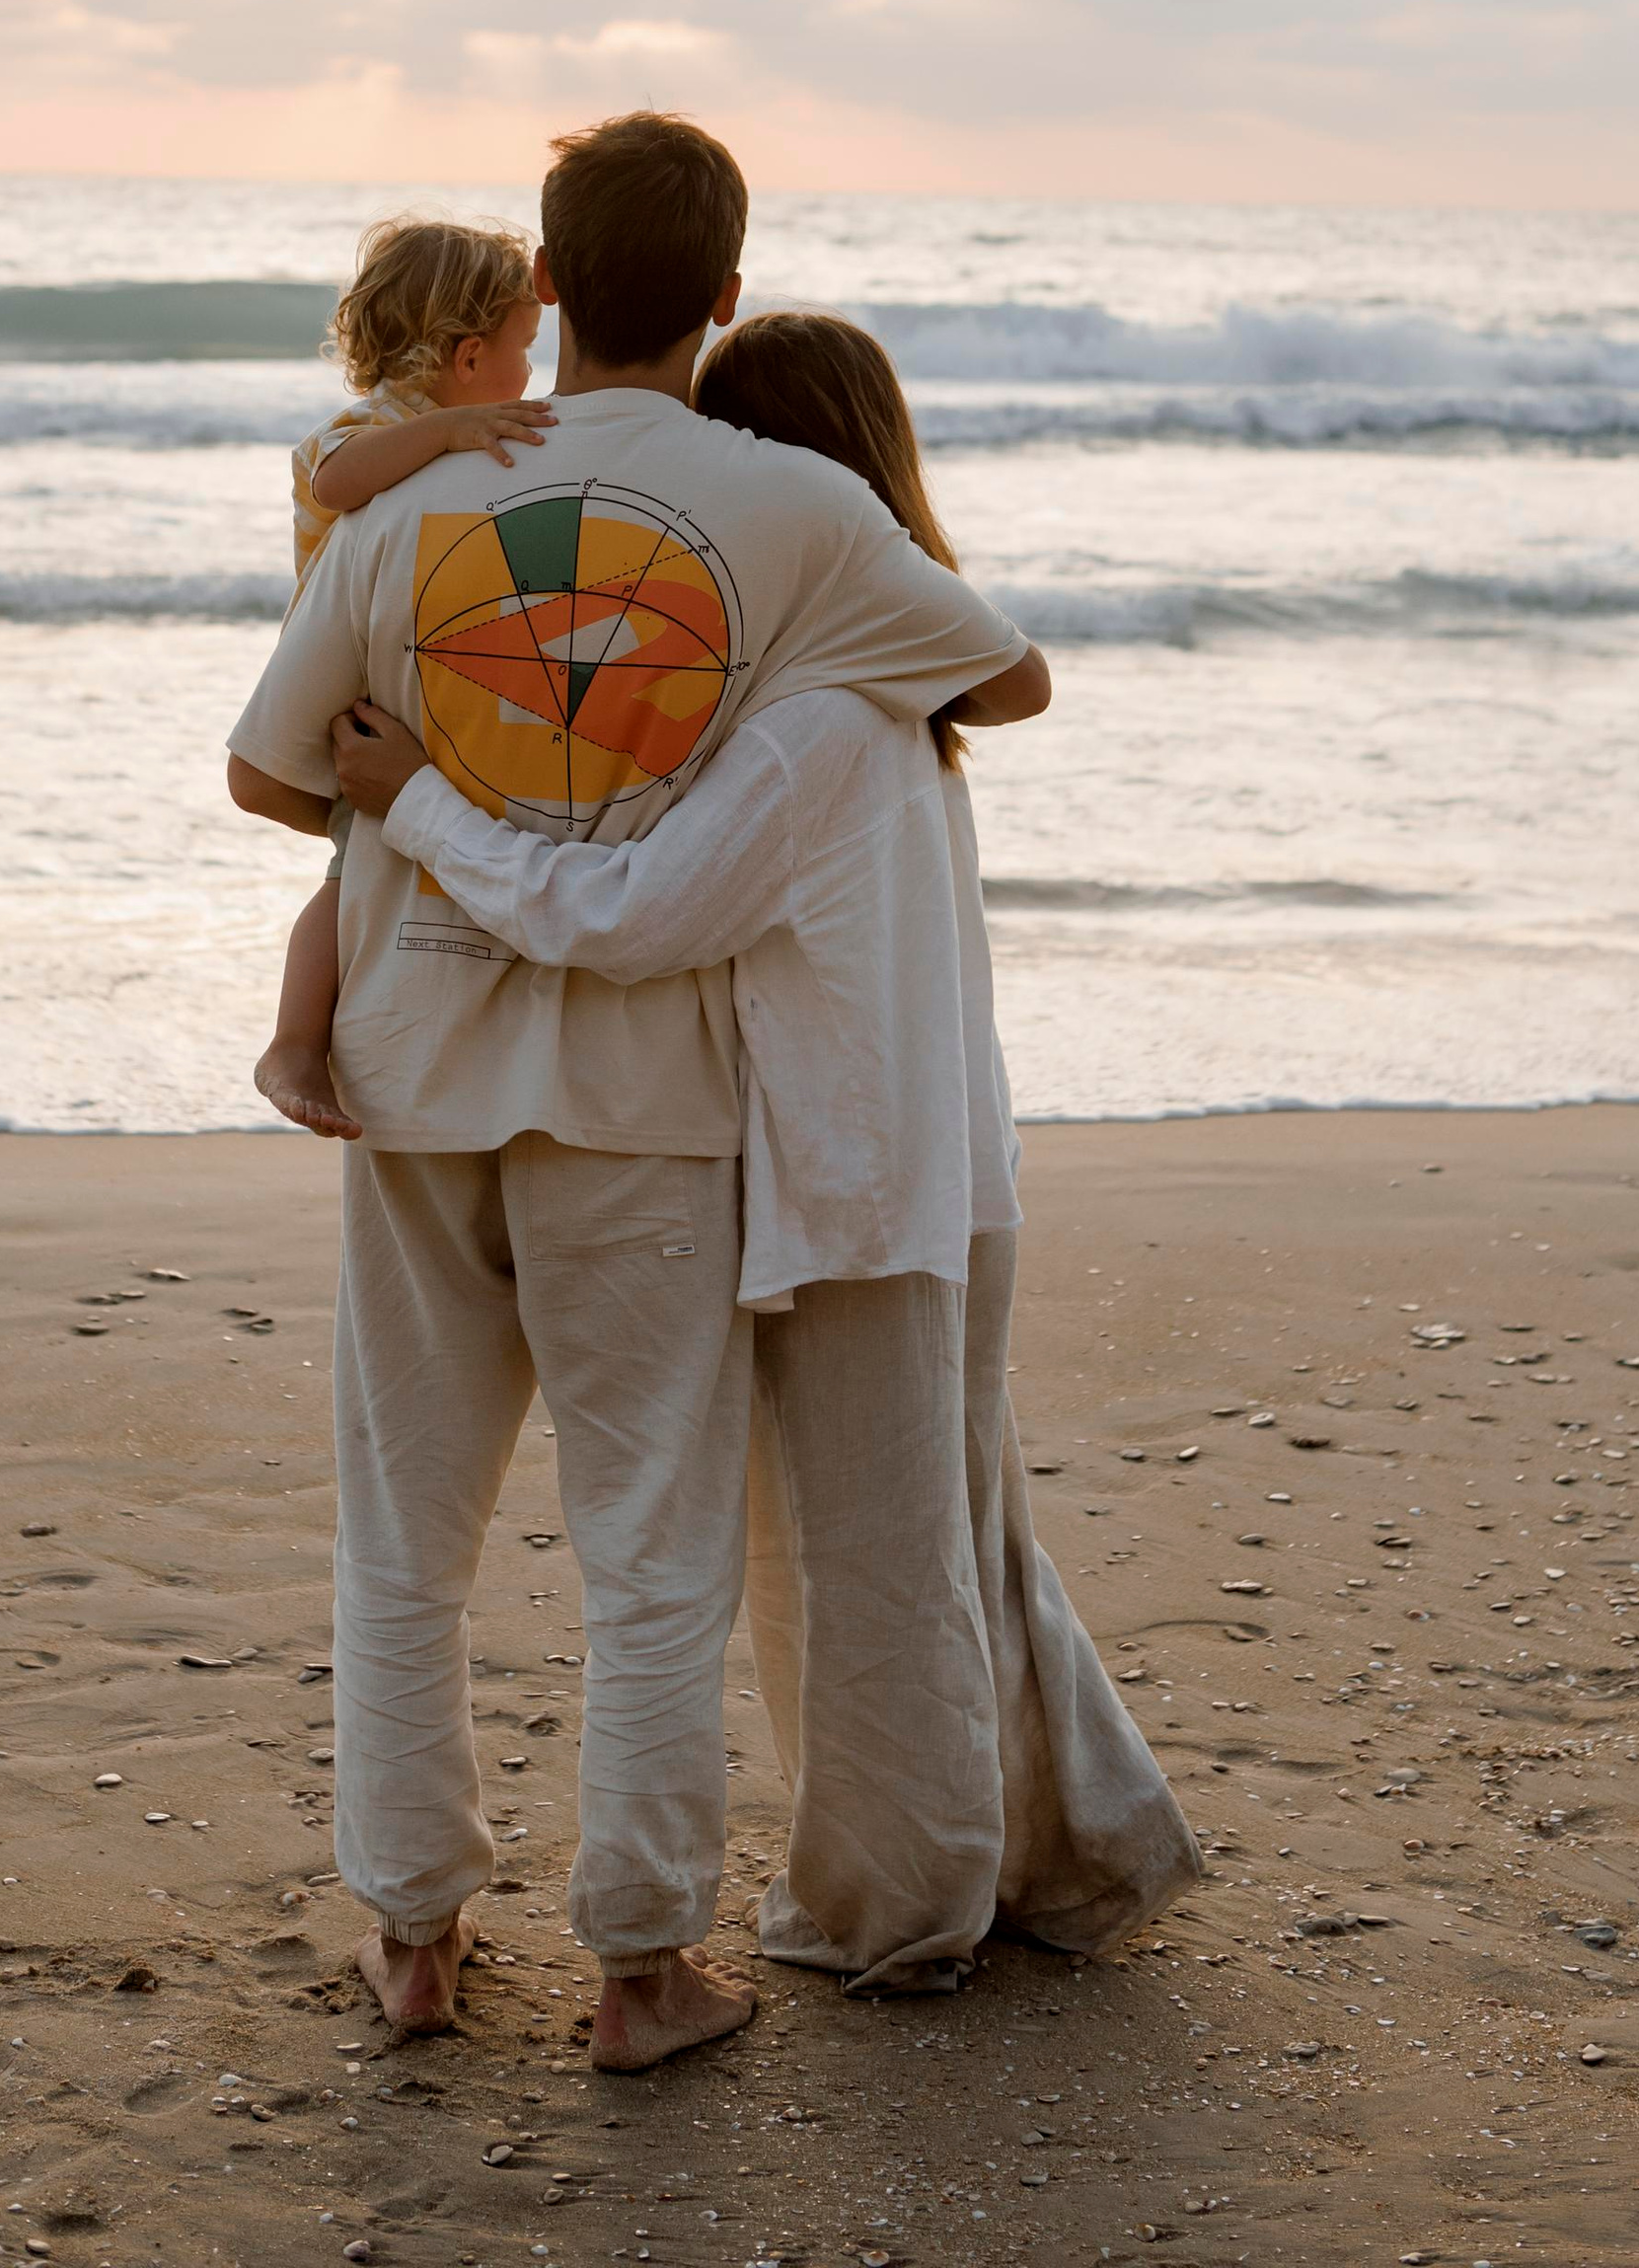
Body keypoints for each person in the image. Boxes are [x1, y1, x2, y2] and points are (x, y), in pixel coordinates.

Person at [226, 114, 1046, 2069]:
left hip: (409, 1074)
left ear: (550, 283)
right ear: (726, 295)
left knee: (402, 1527)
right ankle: (636, 1968)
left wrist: (449, 775)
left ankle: (412, 1934)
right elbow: (998, 683)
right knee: (651, 1550)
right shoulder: (793, 515)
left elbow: (274, 774)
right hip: (644, 1102)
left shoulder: (412, 513)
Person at [333, 309, 1200, 1996]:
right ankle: (1053, 1849)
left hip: (849, 1179)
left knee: (876, 1572)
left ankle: (905, 1905)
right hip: (904, 1165)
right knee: (921, 1546)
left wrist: (424, 804)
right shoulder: (882, 678)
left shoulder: (815, 715)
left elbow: (635, 914)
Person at [256, 214, 555, 1143]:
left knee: (398, 867)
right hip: (354, 699)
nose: (528, 375)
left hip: (408, 681)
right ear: (468, 359)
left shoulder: (431, 433)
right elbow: (337, 479)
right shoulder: (364, 432)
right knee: (353, 877)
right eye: (522, 350)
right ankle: (295, 1043)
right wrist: (452, 432)